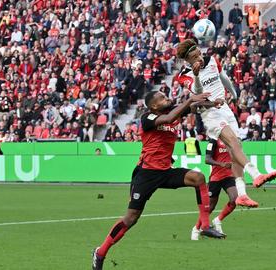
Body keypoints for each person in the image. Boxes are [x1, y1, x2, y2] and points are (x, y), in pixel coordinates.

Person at [92, 91, 225, 270]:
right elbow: (171, 117)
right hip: (146, 174)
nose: (167, 98)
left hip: (165, 171)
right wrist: (189, 100)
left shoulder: (172, 111)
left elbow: (193, 107)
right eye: (162, 98)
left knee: (198, 178)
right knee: (131, 218)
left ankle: (205, 225)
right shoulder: (147, 117)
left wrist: (212, 103)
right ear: (154, 105)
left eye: (165, 96)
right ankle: (100, 253)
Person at [176, 39, 276, 208]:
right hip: (209, 113)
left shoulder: (212, 60)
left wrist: (234, 95)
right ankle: (256, 174)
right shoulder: (184, 75)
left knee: (236, 147)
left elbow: (224, 78)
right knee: (231, 141)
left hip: (225, 108)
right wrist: (195, 75)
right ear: (188, 60)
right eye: (195, 57)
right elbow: (199, 94)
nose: (199, 58)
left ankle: (242, 194)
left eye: (199, 54)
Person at [191, 138, 237, 240]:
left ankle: (218, 220)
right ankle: (196, 228)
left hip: (229, 176)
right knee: (210, 207)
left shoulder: (230, 139)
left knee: (234, 199)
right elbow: (207, 159)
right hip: (216, 178)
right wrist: (221, 164)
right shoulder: (213, 141)